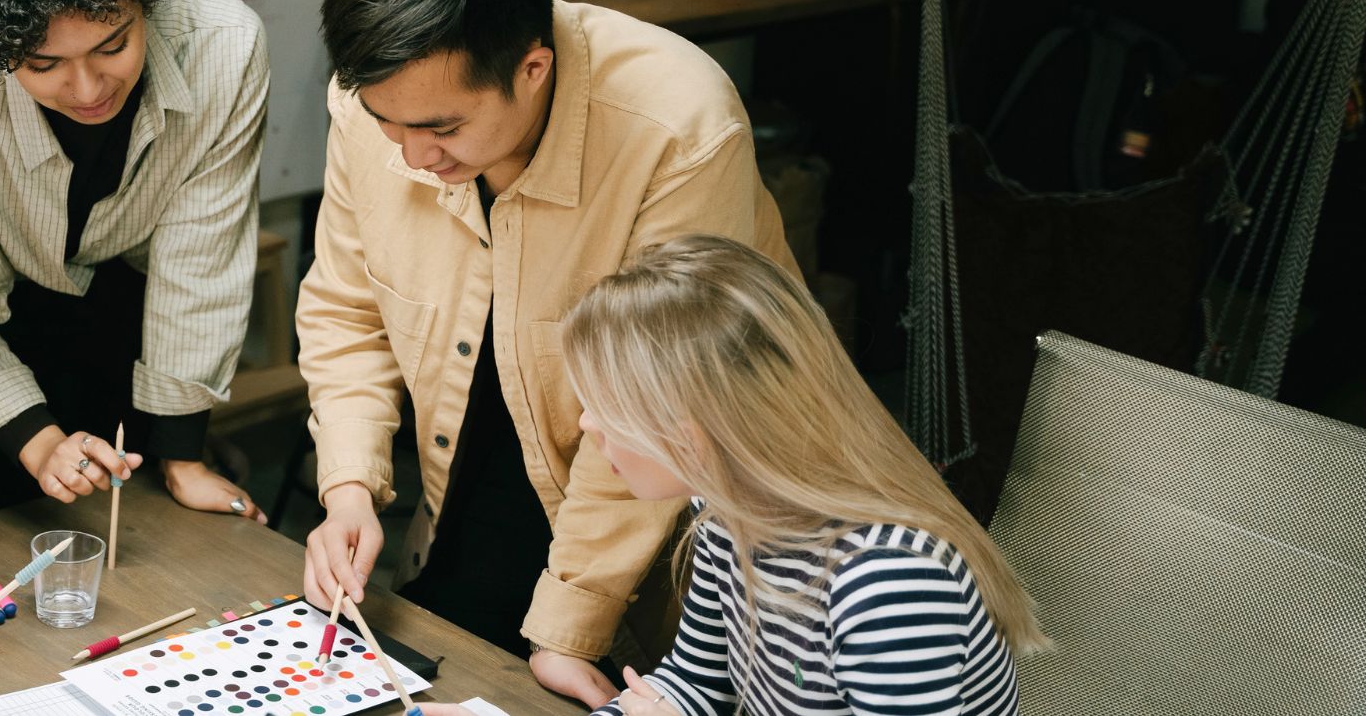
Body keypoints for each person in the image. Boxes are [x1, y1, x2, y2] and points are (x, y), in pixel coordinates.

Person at [296, 0, 798, 703]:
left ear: (533, 70)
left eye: (441, 127)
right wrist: (348, 491)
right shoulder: (380, 102)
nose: (409, 154)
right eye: (386, 121)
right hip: (469, 495)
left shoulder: (678, 127)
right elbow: (348, 311)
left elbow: (662, 408)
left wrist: (569, 625)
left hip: (660, 542)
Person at [420, 235, 1050, 716]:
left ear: (693, 429)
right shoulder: (727, 514)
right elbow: (693, 684)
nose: (587, 424)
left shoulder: (888, 581)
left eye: (607, 405)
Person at [0, 0, 271, 522]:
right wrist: (38, 444)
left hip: (122, 308)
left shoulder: (222, 45)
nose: (88, 90)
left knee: (127, 520)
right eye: (44, 63)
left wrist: (183, 458)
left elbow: (201, 254)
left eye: (112, 47)